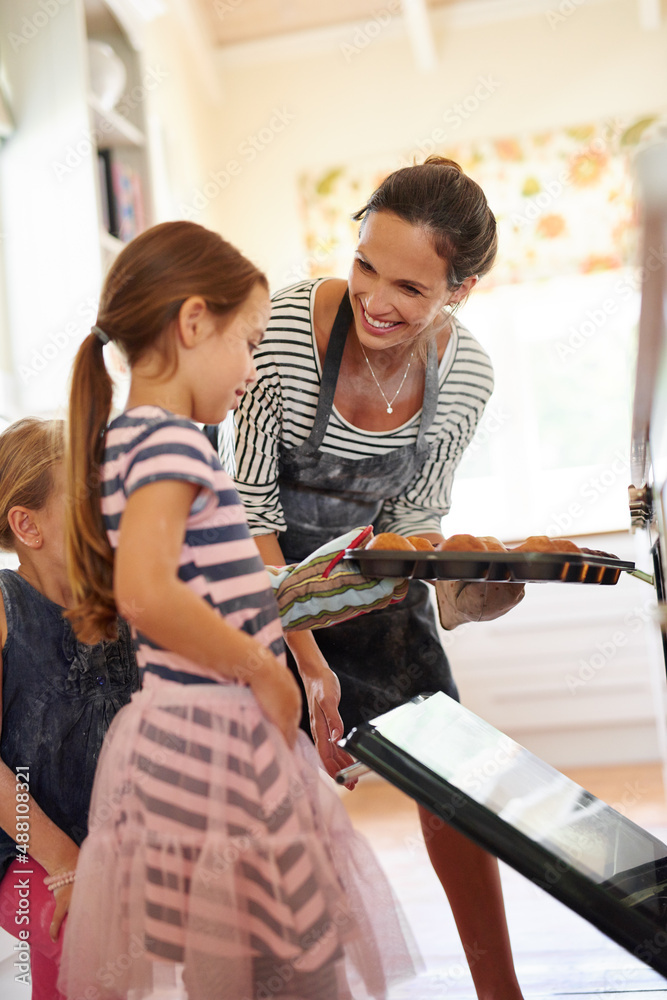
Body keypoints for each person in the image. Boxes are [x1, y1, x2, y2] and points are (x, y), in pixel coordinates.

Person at [58, 220, 419, 1000]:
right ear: (193, 323)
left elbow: (197, 583)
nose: (252, 371)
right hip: (217, 735)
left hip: (188, 732)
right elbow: (149, 592)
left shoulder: (131, 440)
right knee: (290, 958)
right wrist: (261, 668)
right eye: (248, 342)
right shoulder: (173, 444)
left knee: (238, 956)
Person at [232, 156, 527, 1000]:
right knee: (270, 805)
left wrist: (462, 589)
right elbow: (250, 514)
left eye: (409, 286)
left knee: (452, 783)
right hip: (261, 585)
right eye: (364, 265)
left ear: (460, 292)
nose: (374, 298)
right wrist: (312, 670)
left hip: (372, 582)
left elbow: (414, 521)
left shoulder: (464, 377)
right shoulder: (286, 331)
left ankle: (497, 989)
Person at [0, 417, 138, 1000]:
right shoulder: (7, 611)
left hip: (121, 837)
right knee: (86, 934)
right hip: (27, 844)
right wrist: (66, 864)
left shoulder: (128, 599)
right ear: (28, 525)